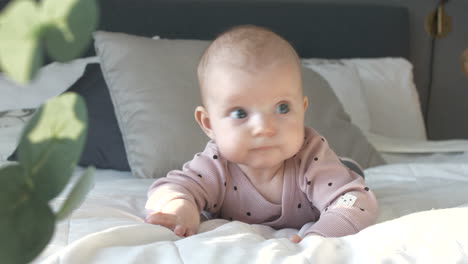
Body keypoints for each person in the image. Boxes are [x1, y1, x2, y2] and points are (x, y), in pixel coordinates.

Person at [145, 25, 378, 242]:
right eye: (239, 113)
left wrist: (321, 234)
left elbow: (353, 199)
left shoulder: (311, 156)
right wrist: (179, 207)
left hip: (332, 172)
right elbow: (168, 188)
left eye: (282, 108)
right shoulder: (215, 165)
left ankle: (347, 167)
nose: (265, 128)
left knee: (347, 175)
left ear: (302, 111)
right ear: (208, 123)